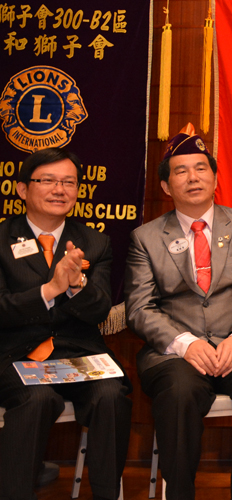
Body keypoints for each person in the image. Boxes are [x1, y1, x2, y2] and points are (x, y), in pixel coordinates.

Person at [125, 125, 232, 500]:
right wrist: (185, 344)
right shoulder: (146, 238)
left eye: (201, 168)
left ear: (215, 178)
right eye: (181, 171)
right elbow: (139, 307)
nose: (193, 177)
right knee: (179, 392)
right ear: (166, 186)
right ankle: (180, 492)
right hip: (175, 353)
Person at [0, 147, 132, 500]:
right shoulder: (1, 239)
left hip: (77, 352)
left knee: (111, 395)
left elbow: (99, 310)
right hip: (14, 355)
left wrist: (76, 286)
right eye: (48, 180)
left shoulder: (95, 242)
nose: (60, 190)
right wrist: (49, 290)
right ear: (22, 189)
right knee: (36, 399)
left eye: (69, 182)